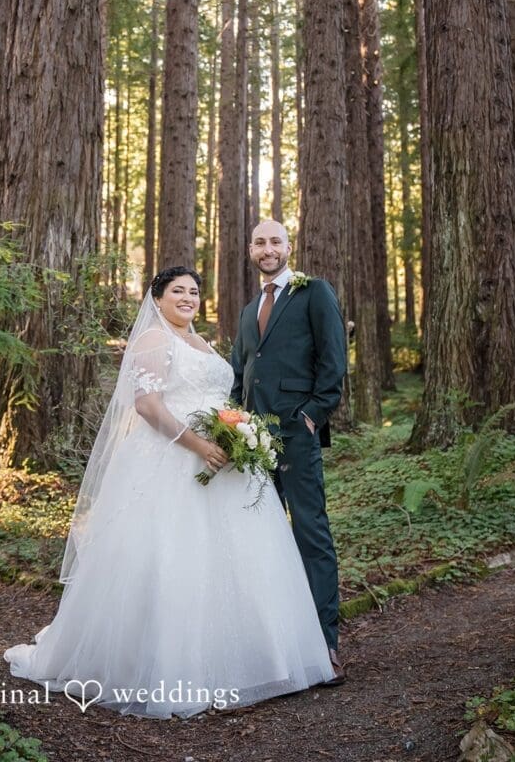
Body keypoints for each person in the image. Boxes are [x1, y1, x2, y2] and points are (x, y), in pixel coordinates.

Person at [4, 266, 334, 718]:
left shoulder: (199, 342)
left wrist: (237, 433)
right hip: (173, 459)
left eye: (194, 291)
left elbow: (223, 396)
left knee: (240, 561)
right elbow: (147, 405)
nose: (188, 298)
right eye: (178, 291)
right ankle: (166, 667)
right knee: (175, 558)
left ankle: (252, 661)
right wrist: (198, 443)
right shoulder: (153, 341)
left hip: (224, 463)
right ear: (157, 298)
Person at [231, 221, 347, 684]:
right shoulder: (247, 310)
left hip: (297, 434)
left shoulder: (313, 292)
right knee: (260, 540)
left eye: (275, 241)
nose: (267, 248)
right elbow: (242, 373)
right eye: (259, 241)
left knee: (310, 534)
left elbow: (333, 360)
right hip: (254, 442)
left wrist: (312, 414)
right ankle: (273, 644)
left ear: (289, 247)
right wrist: (234, 424)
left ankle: (326, 644)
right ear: (251, 249)